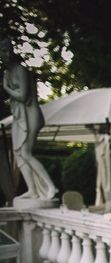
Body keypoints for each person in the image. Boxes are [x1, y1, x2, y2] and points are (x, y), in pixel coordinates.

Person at [0, 38, 56, 200]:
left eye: (8, 49)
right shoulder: (7, 73)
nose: (6, 54)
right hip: (19, 116)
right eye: (2, 51)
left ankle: (51, 187)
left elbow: (23, 96)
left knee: (26, 152)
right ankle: (33, 190)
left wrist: (6, 88)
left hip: (31, 115)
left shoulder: (20, 70)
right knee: (19, 154)